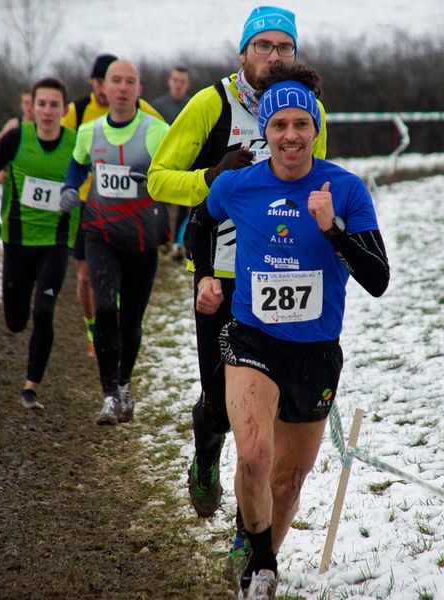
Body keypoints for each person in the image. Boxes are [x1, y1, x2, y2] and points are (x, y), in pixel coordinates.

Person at [189, 63, 390, 599]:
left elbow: (378, 279)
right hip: (253, 339)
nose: (291, 135)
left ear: (315, 129)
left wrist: (334, 230)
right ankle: (262, 570)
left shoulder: (344, 190)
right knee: (253, 454)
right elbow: (198, 224)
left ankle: (257, 552)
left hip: (316, 352)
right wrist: (207, 273)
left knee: (286, 482)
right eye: (279, 125)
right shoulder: (237, 185)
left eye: (301, 124)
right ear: (265, 130)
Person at [147, 4, 328, 577]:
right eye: (264, 47)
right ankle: (205, 454)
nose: (275, 57)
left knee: (266, 426)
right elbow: (158, 179)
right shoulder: (212, 104)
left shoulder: (310, 107)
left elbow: (315, 186)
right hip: (221, 276)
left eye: (285, 48)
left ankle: (247, 538)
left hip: (281, 278)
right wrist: (211, 179)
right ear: (243, 52)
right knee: (223, 409)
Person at [60, 59, 169, 426]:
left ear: (139, 89)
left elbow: (174, 170)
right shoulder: (89, 131)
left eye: (130, 81)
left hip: (141, 235)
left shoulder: (156, 131)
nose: (122, 88)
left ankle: (123, 382)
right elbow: (76, 165)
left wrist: (156, 178)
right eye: (116, 81)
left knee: (131, 319)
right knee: (105, 307)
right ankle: (108, 395)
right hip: (100, 230)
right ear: (103, 89)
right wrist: (70, 188)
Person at [0, 77, 79, 411]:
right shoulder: (16, 138)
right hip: (18, 241)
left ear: (64, 111)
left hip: (55, 242)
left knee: (45, 310)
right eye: (42, 104)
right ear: (32, 107)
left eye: (54, 105)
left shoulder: (75, 143)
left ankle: (30, 388)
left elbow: (88, 181)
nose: (48, 111)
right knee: (15, 320)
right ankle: (18, 322)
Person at [151, 66, 192, 259]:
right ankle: (161, 240)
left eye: (182, 82)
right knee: (161, 202)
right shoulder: (157, 106)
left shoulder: (192, 105)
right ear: (169, 81)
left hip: (186, 163)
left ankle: (178, 242)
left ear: (187, 84)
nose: (178, 85)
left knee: (184, 206)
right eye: (175, 80)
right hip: (162, 163)